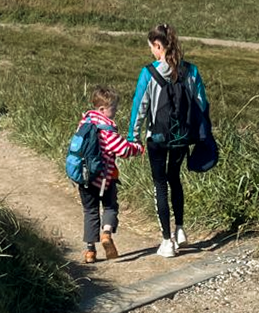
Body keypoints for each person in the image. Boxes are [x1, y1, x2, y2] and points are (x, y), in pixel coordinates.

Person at [128, 23, 209, 258]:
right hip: (182, 138)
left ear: (158, 45)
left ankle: (166, 241)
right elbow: (201, 104)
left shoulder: (148, 73)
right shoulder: (191, 71)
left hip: (158, 138)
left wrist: (133, 137)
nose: (151, 52)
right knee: (175, 179)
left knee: (159, 184)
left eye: (152, 48)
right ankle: (181, 229)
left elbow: (139, 107)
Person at [75, 86, 142, 264]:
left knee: (90, 211)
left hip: (84, 177)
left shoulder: (85, 122)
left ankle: (90, 252)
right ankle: (106, 234)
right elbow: (123, 150)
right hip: (105, 178)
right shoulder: (107, 129)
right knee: (110, 207)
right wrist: (138, 148)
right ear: (103, 110)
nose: (116, 110)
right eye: (114, 107)